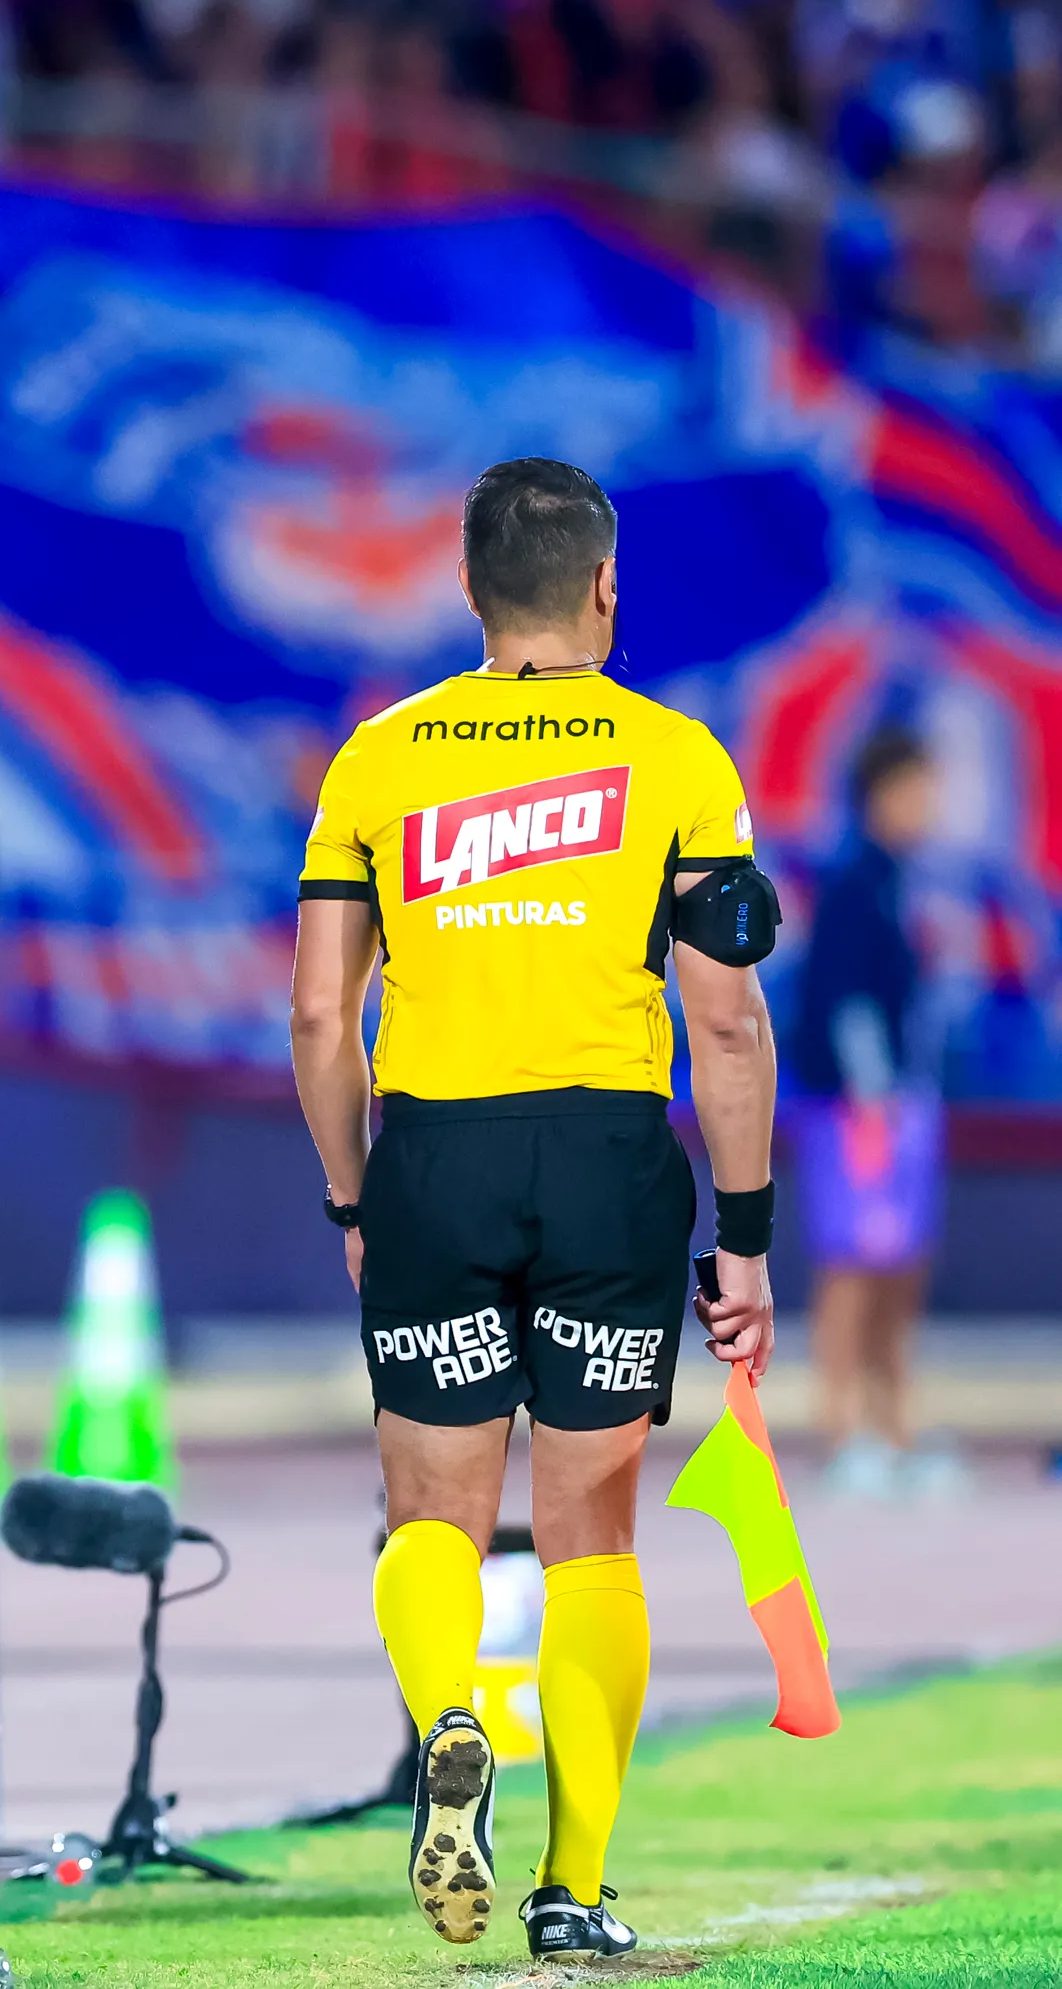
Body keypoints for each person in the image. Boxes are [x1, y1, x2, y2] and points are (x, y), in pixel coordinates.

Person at [290, 459, 779, 1960]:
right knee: (588, 1543)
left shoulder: (378, 759)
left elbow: (318, 1017)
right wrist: (744, 1242)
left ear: (465, 591)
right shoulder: (677, 758)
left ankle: (449, 1719)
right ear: (603, 588)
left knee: (430, 1519)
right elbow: (732, 1029)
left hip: (433, 1153)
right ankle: (572, 1892)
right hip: (606, 1163)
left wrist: (352, 1203)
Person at [787, 724, 958, 1500]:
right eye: (919, 790)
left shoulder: (899, 880)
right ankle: (844, 1433)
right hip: (858, 1111)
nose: (931, 806)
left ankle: (894, 1432)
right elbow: (845, 1004)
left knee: (900, 1272)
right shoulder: (854, 883)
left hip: (904, 1105)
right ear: (881, 795)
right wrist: (874, 1098)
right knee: (853, 1269)